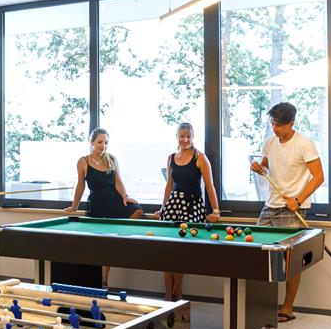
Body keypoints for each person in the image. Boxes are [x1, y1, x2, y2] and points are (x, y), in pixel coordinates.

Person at [249, 102, 325, 323]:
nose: (275, 129)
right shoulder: (270, 142)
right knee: (256, 253)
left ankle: (288, 307)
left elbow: (319, 177)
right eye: (273, 124)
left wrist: (298, 199)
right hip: (270, 205)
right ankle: (262, 305)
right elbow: (266, 166)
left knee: (291, 261)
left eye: (279, 125)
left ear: (291, 123)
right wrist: (259, 168)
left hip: (292, 208)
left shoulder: (304, 144)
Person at [64, 128, 143, 290]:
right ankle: (101, 282)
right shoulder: (83, 161)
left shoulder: (112, 159)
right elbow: (80, 185)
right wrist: (74, 206)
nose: (103, 145)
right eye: (100, 142)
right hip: (97, 204)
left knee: (138, 211)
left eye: (106, 142)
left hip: (114, 201)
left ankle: (119, 237)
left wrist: (125, 195)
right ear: (91, 142)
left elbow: (118, 181)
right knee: (101, 245)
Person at [156, 122, 221, 301]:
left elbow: (210, 186)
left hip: (192, 206)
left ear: (192, 137)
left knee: (179, 252)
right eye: (182, 136)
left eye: (188, 136)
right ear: (176, 137)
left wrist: (216, 211)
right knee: (166, 250)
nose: (185, 140)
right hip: (172, 205)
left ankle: (177, 291)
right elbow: (169, 186)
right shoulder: (171, 158)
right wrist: (162, 208)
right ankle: (168, 293)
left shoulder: (200, 157)